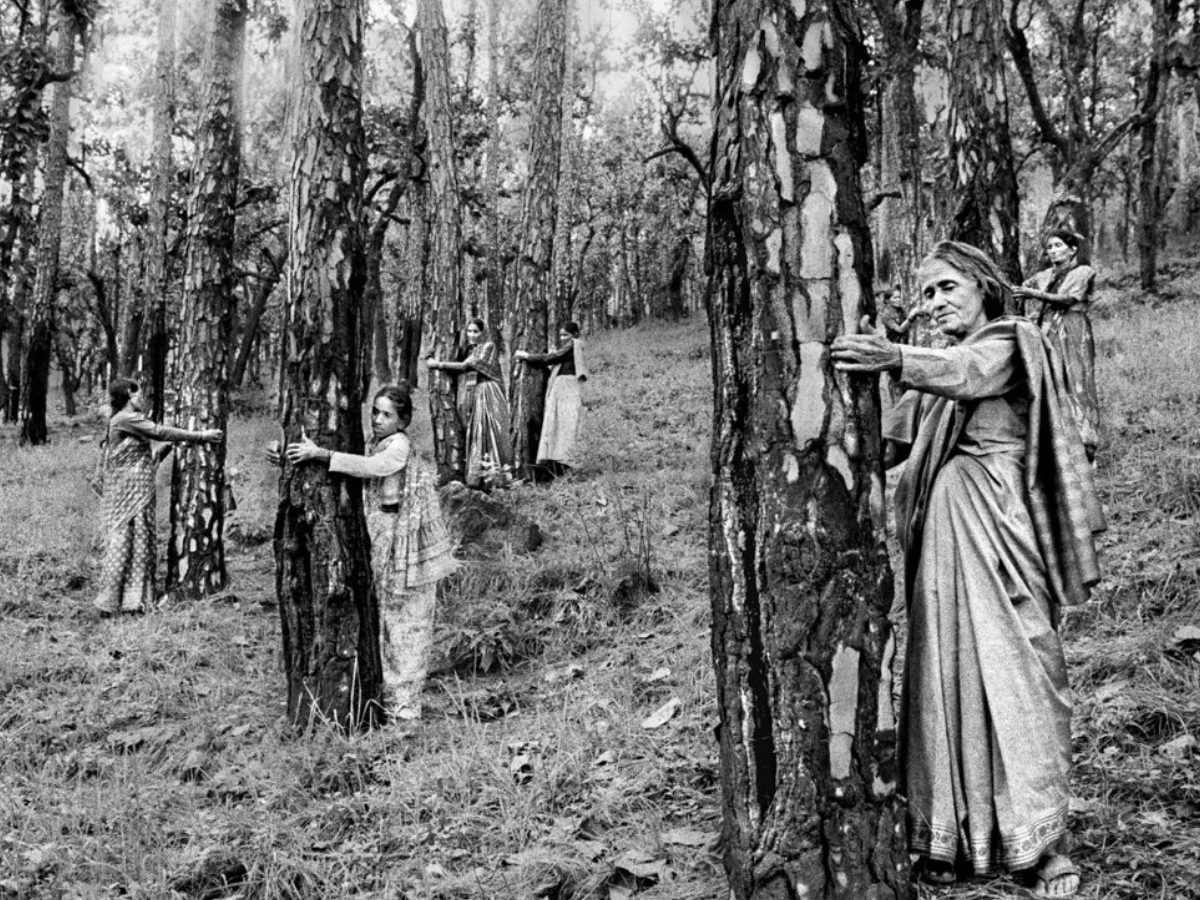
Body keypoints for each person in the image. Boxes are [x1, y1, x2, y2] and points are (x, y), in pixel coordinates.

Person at [832, 241, 1104, 898]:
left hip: (1007, 532)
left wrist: (895, 357)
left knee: (1022, 676)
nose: (933, 304)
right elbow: (888, 443)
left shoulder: (1012, 342)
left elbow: (965, 372)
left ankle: (1041, 843)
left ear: (983, 286)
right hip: (943, 542)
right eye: (924, 295)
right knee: (942, 676)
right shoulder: (928, 378)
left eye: (946, 287)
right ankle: (949, 834)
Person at [281, 385, 458, 720]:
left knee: (405, 624)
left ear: (403, 420)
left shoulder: (399, 446)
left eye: (387, 414)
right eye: (375, 411)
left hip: (401, 542)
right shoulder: (378, 443)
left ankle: (404, 708)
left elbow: (373, 468)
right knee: (384, 619)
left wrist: (321, 454)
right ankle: (385, 701)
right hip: (381, 539)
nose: (377, 419)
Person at [93, 378, 223, 617]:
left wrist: (169, 447)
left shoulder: (126, 421)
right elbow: (159, 432)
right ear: (129, 396)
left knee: (139, 541)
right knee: (123, 543)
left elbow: (141, 457)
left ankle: (134, 601)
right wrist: (201, 435)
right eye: (139, 394)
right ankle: (112, 601)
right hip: (126, 495)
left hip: (136, 493)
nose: (143, 398)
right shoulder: (124, 418)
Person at [1013, 230, 1099, 461]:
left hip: (1073, 329)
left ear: (1072, 250)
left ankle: (1085, 441)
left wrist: (1034, 294)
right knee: (1051, 378)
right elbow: (1017, 287)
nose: (1053, 251)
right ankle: (1055, 440)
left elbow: (1070, 299)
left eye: (1058, 246)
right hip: (1048, 331)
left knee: (1077, 380)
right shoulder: (1045, 275)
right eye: (1049, 247)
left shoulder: (1083, 272)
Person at [427, 319, 513, 490]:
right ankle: (479, 477)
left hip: (489, 391)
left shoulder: (488, 346)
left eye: (476, 331)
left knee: (490, 431)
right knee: (477, 432)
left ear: (483, 333)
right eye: (469, 331)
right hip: (478, 393)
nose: (472, 335)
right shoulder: (471, 349)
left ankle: (495, 478)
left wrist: (437, 364)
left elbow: (466, 366)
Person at [515, 320, 589, 480]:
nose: (563, 338)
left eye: (566, 335)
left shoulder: (574, 344)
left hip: (567, 388)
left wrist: (527, 356)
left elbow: (552, 357)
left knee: (565, 425)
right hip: (563, 388)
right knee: (559, 424)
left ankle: (566, 463)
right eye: (561, 335)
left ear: (575, 334)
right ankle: (558, 464)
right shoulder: (571, 348)